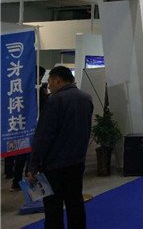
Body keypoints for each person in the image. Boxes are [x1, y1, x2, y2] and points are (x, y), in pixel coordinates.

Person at [27, 66, 93, 229]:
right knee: (75, 203)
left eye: (50, 81)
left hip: (54, 164)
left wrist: (33, 165)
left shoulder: (55, 101)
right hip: (77, 161)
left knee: (53, 207)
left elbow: (44, 135)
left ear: (57, 79)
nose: (48, 85)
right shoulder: (86, 98)